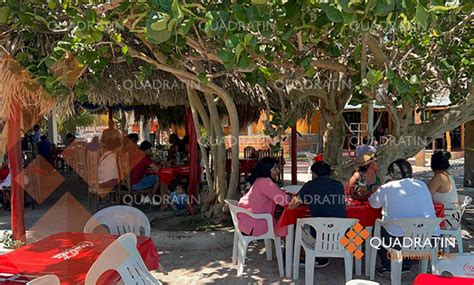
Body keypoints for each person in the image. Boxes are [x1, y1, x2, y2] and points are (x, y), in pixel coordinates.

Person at [368, 159, 437, 276]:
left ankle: (388, 265)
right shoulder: (421, 185)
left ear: (391, 174)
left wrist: (378, 191)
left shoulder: (387, 187)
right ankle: (406, 263)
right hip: (428, 238)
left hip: (399, 241)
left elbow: (374, 204)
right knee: (406, 229)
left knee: (377, 228)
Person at [288, 161, 346, 268]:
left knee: (297, 226)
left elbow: (291, 206)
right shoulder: (339, 185)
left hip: (319, 235)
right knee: (359, 227)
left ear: (314, 174)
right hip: (342, 234)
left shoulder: (311, 185)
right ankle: (354, 257)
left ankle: (305, 257)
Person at [237, 157, 290, 236]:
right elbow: (284, 201)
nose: (278, 171)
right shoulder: (266, 182)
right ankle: (287, 246)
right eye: (275, 168)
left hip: (245, 223)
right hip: (257, 224)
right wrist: (290, 196)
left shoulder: (257, 179)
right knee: (289, 223)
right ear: (266, 170)